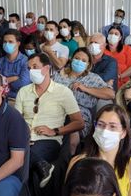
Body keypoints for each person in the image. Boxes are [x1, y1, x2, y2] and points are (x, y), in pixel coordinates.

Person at [68, 105, 131, 196]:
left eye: (112, 127)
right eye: (100, 125)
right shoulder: (77, 162)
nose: (105, 131)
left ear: (123, 133)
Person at [15, 53, 84, 187]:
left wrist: (55, 131)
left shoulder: (63, 92)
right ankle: (41, 166)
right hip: (24, 139)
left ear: (46, 68)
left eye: (35, 67)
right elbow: (16, 120)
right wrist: (23, 131)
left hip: (48, 140)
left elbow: (79, 123)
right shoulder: (23, 91)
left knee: (24, 157)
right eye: (29, 68)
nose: (31, 71)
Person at [52, 48, 115, 140]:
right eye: (77, 58)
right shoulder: (59, 74)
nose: (79, 62)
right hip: (56, 111)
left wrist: (85, 89)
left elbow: (110, 94)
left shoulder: (92, 78)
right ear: (72, 59)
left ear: (88, 64)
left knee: (72, 136)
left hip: (79, 114)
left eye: (83, 60)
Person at [0, 29, 31, 100]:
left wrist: (4, 82)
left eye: (10, 42)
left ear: (18, 43)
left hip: (21, 99)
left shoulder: (26, 61)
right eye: (5, 42)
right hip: (2, 99)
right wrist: (15, 78)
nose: (7, 44)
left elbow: (23, 83)